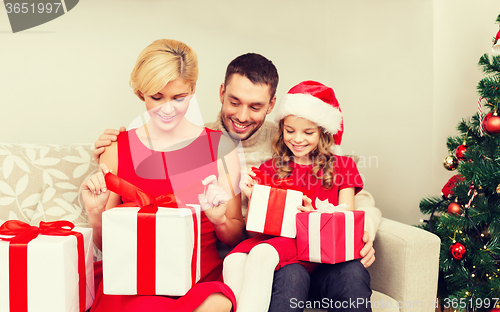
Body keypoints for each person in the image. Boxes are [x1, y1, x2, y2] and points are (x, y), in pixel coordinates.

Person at [93, 53, 380, 311]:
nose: (242, 116)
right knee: (287, 276)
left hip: (303, 248)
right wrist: (121, 148)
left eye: (255, 106)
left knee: (351, 273)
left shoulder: (289, 138)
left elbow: (349, 188)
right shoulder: (196, 141)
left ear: (271, 105)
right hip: (244, 256)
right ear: (221, 93)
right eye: (234, 102)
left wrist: (360, 233)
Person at [81, 39, 244, 312]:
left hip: (198, 278)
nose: (167, 109)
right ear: (140, 93)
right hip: (134, 280)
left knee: (217, 302)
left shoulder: (221, 148)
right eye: (156, 97)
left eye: (179, 98)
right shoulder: (116, 148)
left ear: (193, 90)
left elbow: (235, 236)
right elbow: (106, 244)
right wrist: (96, 214)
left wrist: (219, 220)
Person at [223, 80, 371, 312]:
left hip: (325, 263)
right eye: (290, 131)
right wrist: (255, 198)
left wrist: (317, 219)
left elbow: (347, 221)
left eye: (308, 132)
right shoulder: (269, 169)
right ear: (282, 129)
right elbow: (255, 232)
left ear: (323, 132)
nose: (297, 139)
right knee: (255, 265)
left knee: (351, 272)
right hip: (286, 263)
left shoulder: (343, 166)